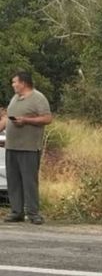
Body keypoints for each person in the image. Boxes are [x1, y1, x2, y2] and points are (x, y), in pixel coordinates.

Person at [0, 72, 52, 225]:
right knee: (13, 180)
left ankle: (33, 212)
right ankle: (16, 211)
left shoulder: (38, 98)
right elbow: (6, 118)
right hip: (12, 146)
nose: (13, 85)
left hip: (29, 147)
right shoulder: (15, 99)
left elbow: (47, 118)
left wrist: (26, 120)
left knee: (29, 180)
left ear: (23, 83)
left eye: (14, 82)